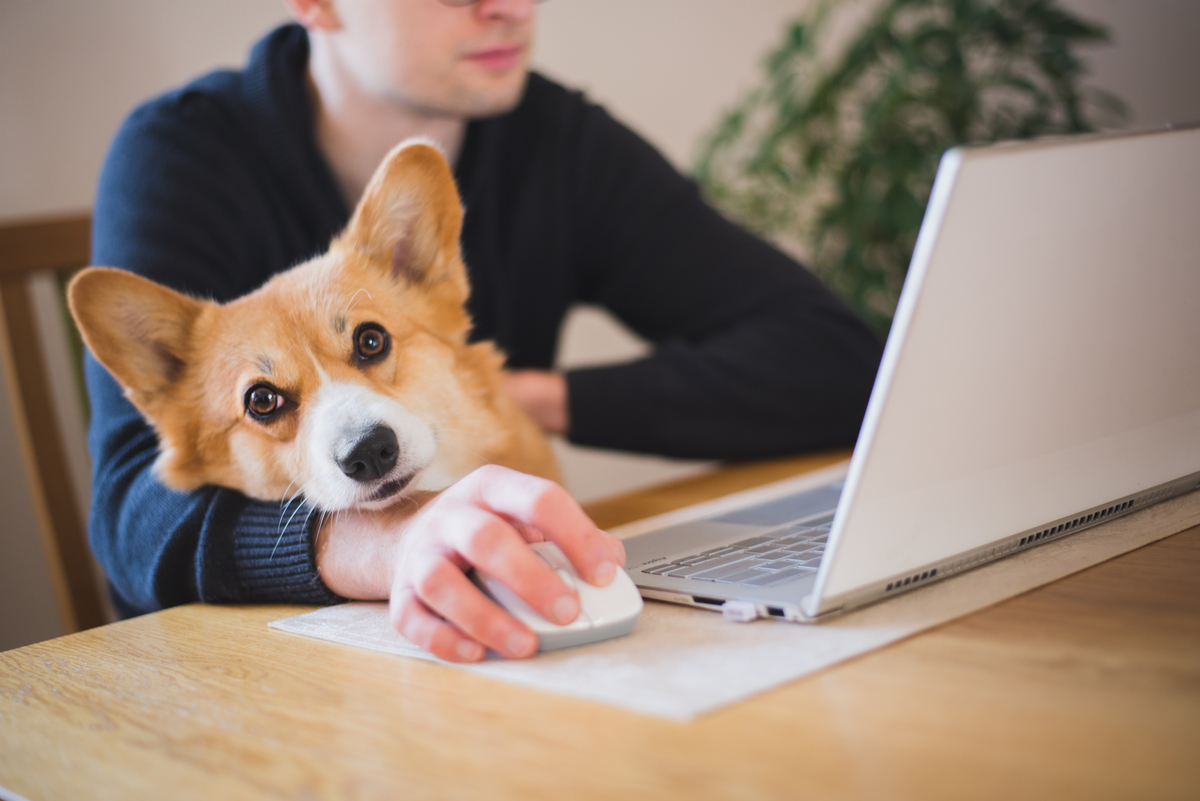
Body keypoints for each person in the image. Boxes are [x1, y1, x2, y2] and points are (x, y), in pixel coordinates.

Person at [87, 0, 883, 662]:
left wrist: (522, 394)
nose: (510, 6)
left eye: (370, 344)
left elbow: (839, 360)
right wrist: (384, 541)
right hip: (245, 672)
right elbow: (130, 508)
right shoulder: (179, 155)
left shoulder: (559, 142)